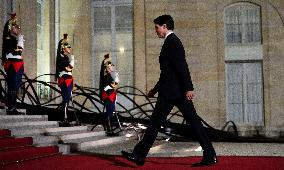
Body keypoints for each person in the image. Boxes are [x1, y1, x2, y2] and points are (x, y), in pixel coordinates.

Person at [121, 15, 217, 167]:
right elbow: (168, 72)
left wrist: (189, 88)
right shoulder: (171, 42)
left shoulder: (172, 43)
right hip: (174, 91)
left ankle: (139, 155)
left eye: (157, 27)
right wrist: (155, 89)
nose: (156, 31)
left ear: (164, 26)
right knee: (194, 123)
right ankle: (210, 155)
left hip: (173, 93)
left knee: (155, 123)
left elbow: (182, 67)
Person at [1, 13, 25, 115]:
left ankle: (13, 107)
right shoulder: (8, 38)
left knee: (16, 85)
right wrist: (19, 43)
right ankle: (11, 107)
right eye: (15, 28)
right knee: (13, 85)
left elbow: (20, 51)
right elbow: (14, 51)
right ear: (11, 28)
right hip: (13, 64)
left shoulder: (14, 38)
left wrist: (19, 42)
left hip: (18, 64)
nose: (17, 30)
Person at [55, 34, 75, 126]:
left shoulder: (66, 57)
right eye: (68, 47)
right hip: (64, 80)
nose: (69, 49)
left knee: (67, 100)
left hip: (69, 80)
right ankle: (64, 118)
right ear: (63, 48)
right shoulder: (61, 57)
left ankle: (65, 117)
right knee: (66, 99)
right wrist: (71, 64)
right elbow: (67, 68)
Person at [99, 54, 119, 136]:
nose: (112, 68)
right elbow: (107, 87)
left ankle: (110, 128)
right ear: (107, 67)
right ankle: (108, 128)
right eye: (111, 66)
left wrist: (115, 82)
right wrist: (113, 84)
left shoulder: (109, 76)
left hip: (111, 95)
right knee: (109, 112)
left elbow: (113, 86)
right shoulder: (105, 76)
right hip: (107, 96)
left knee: (111, 112)